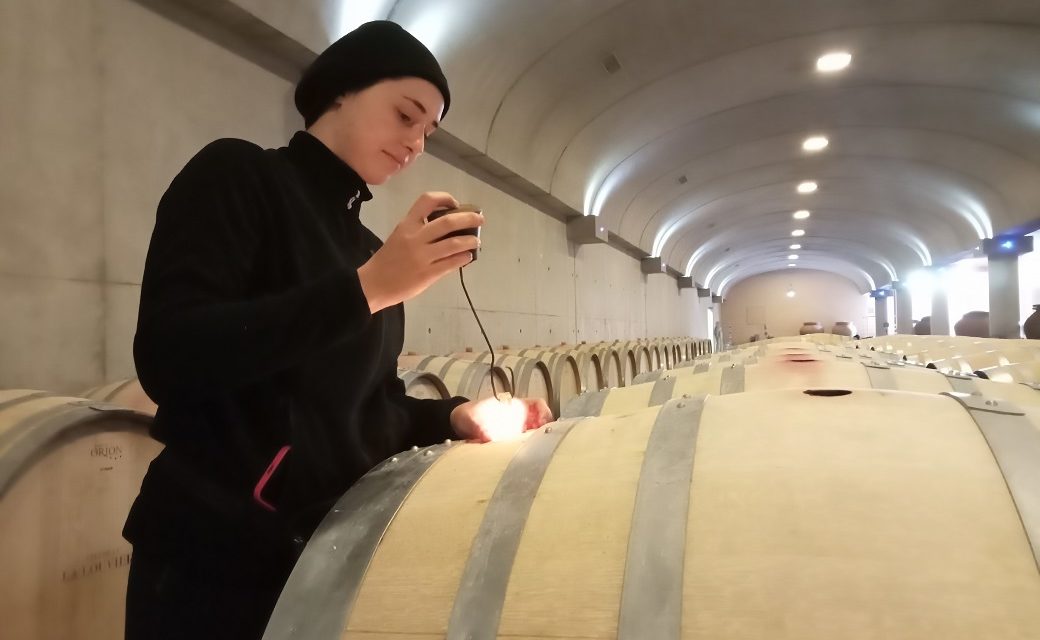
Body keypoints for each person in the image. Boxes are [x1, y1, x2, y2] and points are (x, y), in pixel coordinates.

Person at [122, 20, 553, 640]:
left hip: (326, 561)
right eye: (407, 115)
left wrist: (454, 417)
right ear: (344, 89)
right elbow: (173, 355)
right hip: (213, 561)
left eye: (429, 131)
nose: (416, 144)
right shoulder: (239, 175)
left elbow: (367, 408)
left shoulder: (370, 249)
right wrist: (371, 288)